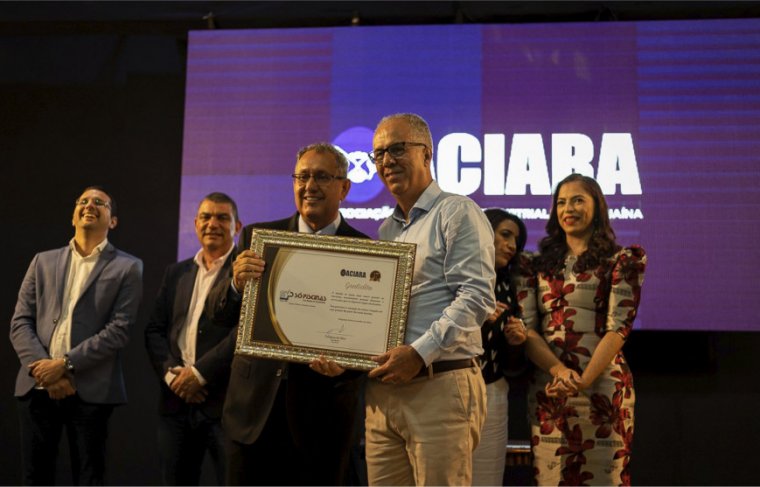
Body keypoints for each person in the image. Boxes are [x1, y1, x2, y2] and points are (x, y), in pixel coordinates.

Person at [216, 142, 368, 485]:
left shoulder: (366, 251)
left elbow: (368, 341)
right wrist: (237, 285)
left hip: (323, 420)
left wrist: (345, 368)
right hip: (253, 415)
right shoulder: (258, 237)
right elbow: (220, 315)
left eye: (321, 177)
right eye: (302, 176)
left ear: (344, 187)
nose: (309, 186)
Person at [365, 113, 496, 486]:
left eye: (397, 148)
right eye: (378, 154)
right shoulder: (387, 230)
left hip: (439, 384)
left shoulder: (457, 212)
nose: (387, 160)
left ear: (427, 153)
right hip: (385, 391)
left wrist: (419, 353)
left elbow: (476, 297)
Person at [517, 173, 646, 486]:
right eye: (561, 202)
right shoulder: (532, 265)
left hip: (602, 389)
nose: (568, 209)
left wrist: (583, 381)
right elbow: (528, 331)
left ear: (597, 208)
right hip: (550, 388)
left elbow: (619, 329)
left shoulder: (623, 260)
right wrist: (561, 373)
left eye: (577, 200)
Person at [10, 186, 143, 485]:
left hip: (90, 390)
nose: (90, 205)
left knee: (88, 477)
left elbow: (119, 330)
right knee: (35, 477)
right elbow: (20, 322)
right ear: (73, 216)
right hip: (36, 385)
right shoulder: (42, 261)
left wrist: (65, 365)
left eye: (100, 202)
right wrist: (46, 371)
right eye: (83, 201)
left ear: (113, 221)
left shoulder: (128, 267)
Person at [144, 192, 242, 485]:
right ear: (196, 223)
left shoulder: (245, 269)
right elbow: (154, 331)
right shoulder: (176, 272)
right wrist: (174, 377)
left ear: (238, 227)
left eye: (222, 217)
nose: (213, 223)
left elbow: (242, 333)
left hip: (223, 404)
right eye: (206, 217)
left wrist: (199, 375)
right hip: (176, 404)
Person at [472, 209, 529, 486]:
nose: (512, 245)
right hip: (446, 388)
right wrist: (473, 316)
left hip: (493, 390)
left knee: (487, 479)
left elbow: (513, 366)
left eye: (516, 240)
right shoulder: (452, 276)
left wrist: (516, 343)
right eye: (505, 235)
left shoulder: (510, 286)